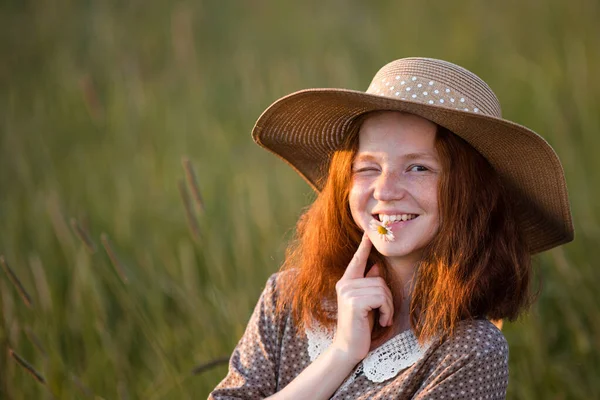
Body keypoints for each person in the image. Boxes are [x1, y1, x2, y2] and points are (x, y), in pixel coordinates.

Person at [209, 57, 574, 399]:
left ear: (471, 193)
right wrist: (339, 355)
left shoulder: (471, 351)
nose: (384, 190)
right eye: (368, 167)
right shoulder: (287, 298)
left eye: (418, 168)